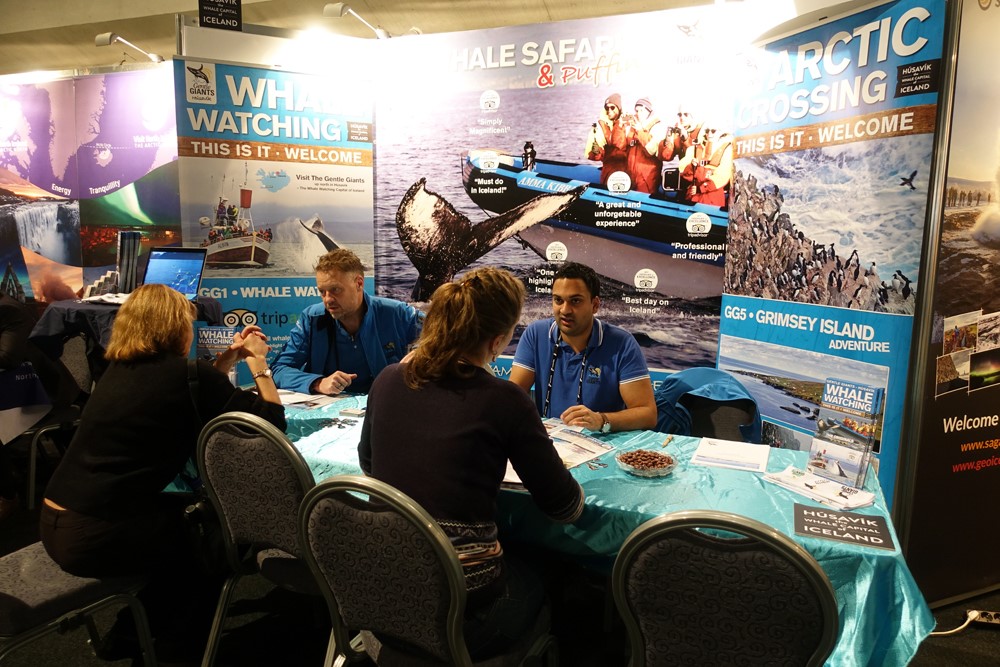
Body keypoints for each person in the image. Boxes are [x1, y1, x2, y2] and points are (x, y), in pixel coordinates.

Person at [39, 283, 285, 663]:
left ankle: (132, 632)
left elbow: (189, 389)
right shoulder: (184, 376)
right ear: (175, 326)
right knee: (213, 546)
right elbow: (272, 421)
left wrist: (225, 363)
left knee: (186, 535)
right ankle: (175, 650)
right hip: (99, 535)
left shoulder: (117, 370)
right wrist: (258, 362)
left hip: (56, 520)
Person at [359, 267, 583, 659]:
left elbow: (369, 465)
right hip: (464, 612)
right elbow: (564, 507)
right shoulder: (505, 400)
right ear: (498, 340)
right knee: (556, 570)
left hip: (382, 588)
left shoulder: (388, 380)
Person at [511, 262, 656, 432]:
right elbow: (513, 397)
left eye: (575, 301)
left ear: (595, 305)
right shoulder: (536, 334)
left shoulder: (622, 343)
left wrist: (602, 420)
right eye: (558, 300)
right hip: (548, 442)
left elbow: (648, 414)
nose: (565, 310)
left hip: (602, 444)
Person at [271, 248, 422, 395]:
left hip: (385, 405)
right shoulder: (311, 319)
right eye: (322, 291)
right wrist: (318, 383)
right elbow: (279, 369)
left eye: (335, 290)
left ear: (359, 284)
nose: (328, 299)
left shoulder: (397, 313)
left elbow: (442, 333)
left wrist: (420, 353)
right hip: (329, 412)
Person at [678, 123, 733, 207]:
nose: (709, 134)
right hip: (693, 193)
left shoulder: (727, 150)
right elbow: (682, 171)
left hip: (713, 196)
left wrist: (701, 188)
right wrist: (691, 166)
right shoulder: (695, 148)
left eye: (713, 131)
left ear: (721, 133)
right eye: (707, 131)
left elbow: (722, 176)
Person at [584, 93, 629, 186]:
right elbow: (594, 155)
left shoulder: (628, 124)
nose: (609, 110)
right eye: (607, 108)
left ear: (619, 109)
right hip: (609, 172)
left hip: (628, 173)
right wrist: (596, 151)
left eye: (612, 107)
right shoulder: (600, 127)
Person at [624, 97, 666, 194]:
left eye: (642, 110)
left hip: (647, 177)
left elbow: (651, 150)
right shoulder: (632, 125)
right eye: (637, 110)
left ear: (649, 112)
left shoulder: (657, 127)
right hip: (631, 174)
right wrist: (621, 125)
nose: (639, 113)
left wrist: (640, 131)